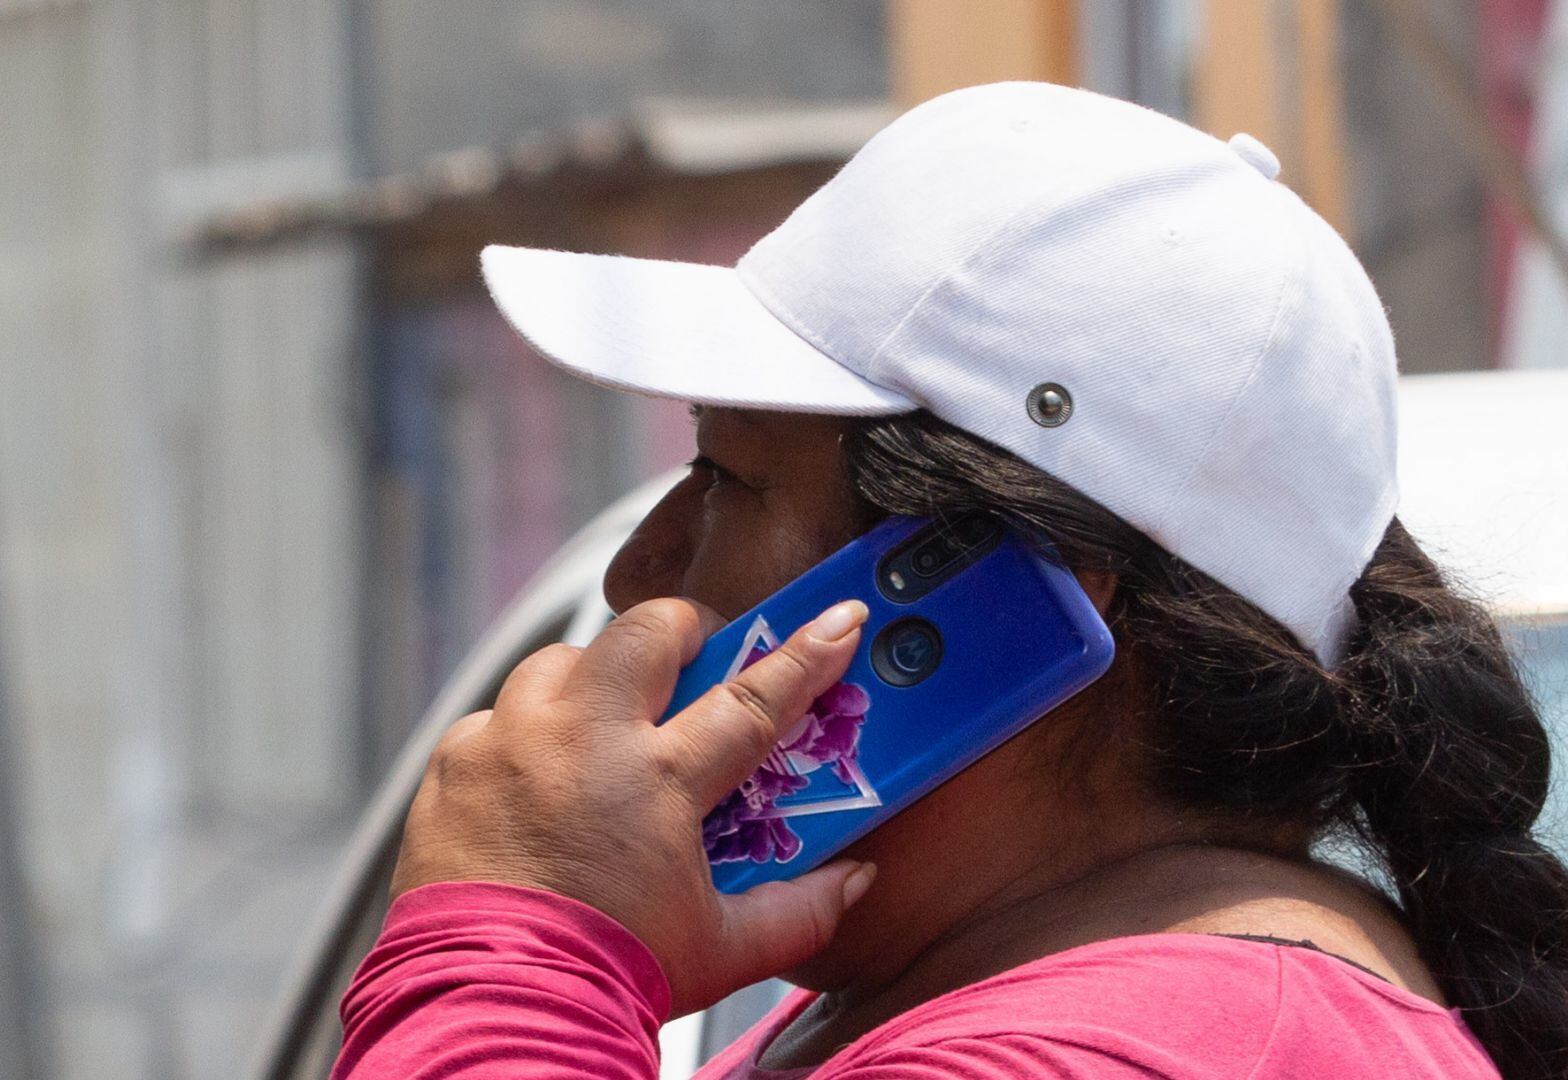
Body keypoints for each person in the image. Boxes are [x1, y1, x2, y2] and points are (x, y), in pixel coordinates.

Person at [332, 83, 1568, 1079]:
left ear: (1007, 605)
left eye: (727, 478)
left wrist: (517, 941)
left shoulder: (1133, 1051)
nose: (638, 567)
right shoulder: (1009, 999)